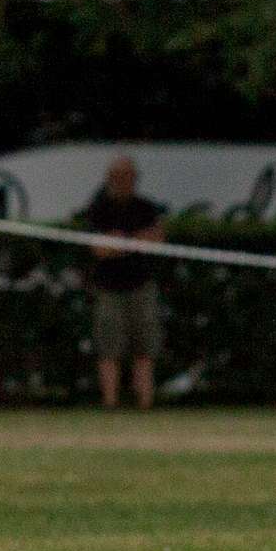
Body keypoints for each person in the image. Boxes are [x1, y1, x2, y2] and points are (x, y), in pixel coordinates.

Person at [80, 155, 166, 410]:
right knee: (108, 348)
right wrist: (131, 243)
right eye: (118, 176)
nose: (123, 181)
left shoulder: (146, 208)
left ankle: (145, 403)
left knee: (145, 347)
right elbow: (99, 248)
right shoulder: (98, 209)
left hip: (141, 285)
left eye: (128, 176)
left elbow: (156, 241)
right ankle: (110, 403)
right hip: (108, 288)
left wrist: (123, 243)